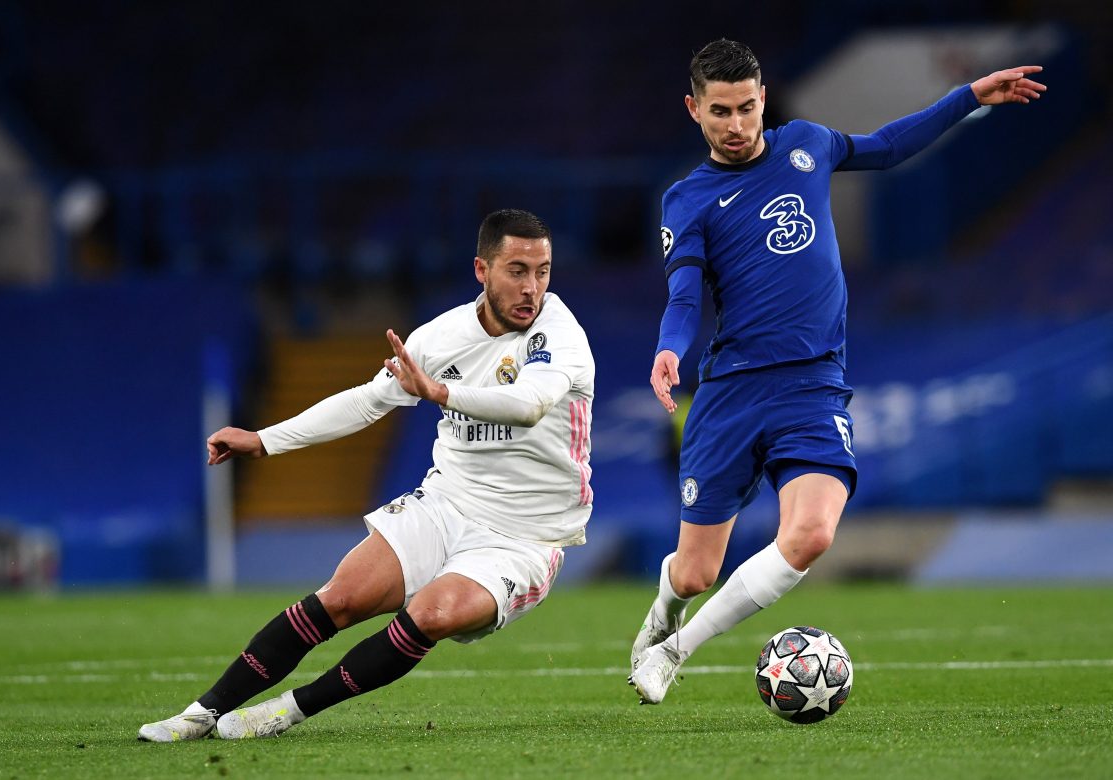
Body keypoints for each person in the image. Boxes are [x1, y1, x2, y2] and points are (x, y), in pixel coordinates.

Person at [629, 39, 1046, 704]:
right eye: (720, 112)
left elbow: (889, 146)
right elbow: (683, 297)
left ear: (763, 99)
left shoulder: (807, 143)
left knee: (812, 534)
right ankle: (665, 609)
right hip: (732, 391)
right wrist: (668, 347)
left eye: (746, 107)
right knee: (693, 574)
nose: (736, 124)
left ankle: (674, 652)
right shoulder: (688, 198)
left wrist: (968, 98)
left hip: (813, 385)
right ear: (693, 109)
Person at [138, 208, 594, 741]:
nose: (532, 288)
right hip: (448, 503)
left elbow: (530, 404)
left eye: (542, 271)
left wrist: (439, 392)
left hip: (525, 536)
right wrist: (265, 440)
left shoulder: (559, 333)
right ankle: (200, 713)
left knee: (433, 613)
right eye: (517, 270)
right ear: (481, 270)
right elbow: (366, 402)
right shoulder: (440, 337)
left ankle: (288, 710)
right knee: (342, 597)